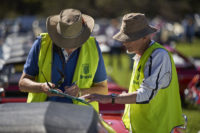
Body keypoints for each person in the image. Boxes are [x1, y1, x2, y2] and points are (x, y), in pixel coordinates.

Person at [83, 13, 184, 133]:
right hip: (145, 126)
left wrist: (110, 98)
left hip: (157, 127)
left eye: (129, 39)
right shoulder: (141, 55)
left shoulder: (158, 55)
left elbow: (145, 94)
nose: (124, 43)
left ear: (145, 37)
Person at [19, 8, 108, 112]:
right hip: (42, 115)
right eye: (65, 41)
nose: (70, 47)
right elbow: (22, 84)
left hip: (81, 118)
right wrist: (41, 87)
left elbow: (103, 89)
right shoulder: (41, 44)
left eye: (74, 42)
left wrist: (80, 92)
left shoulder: (93, 47)